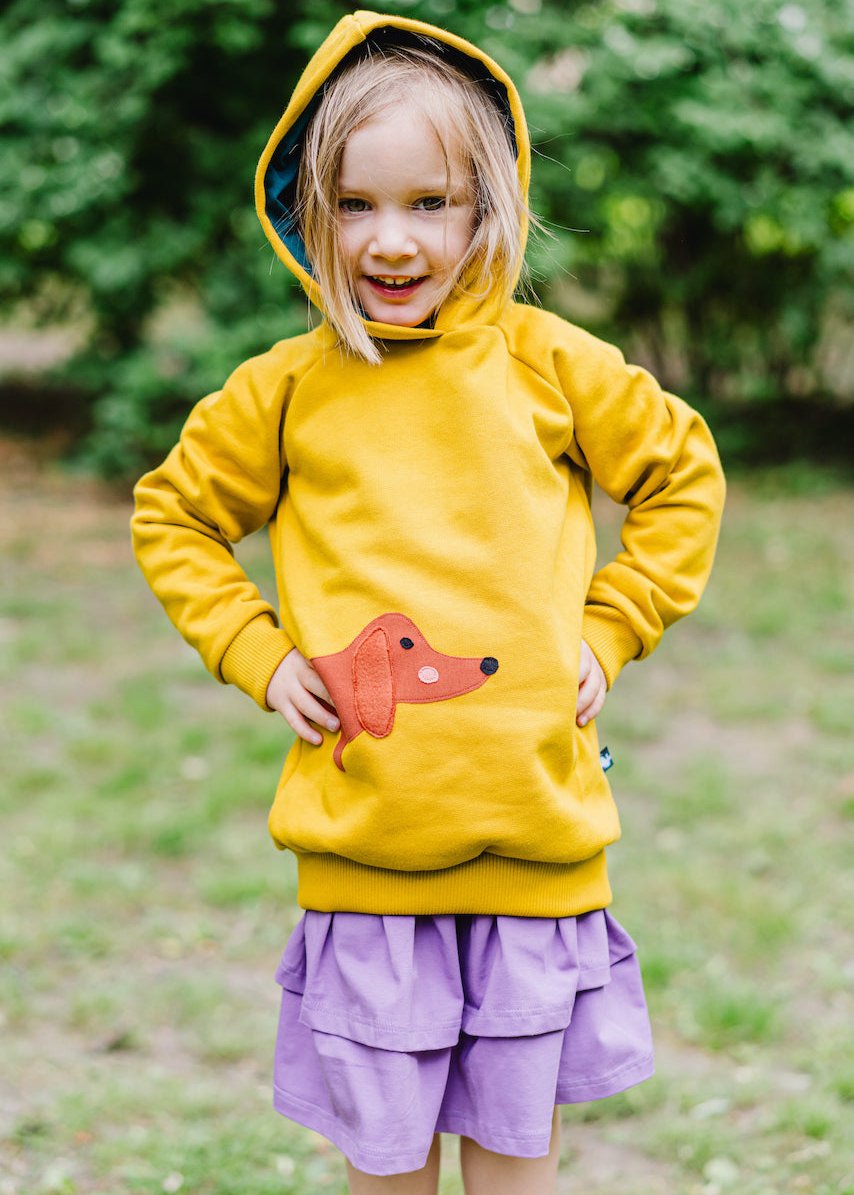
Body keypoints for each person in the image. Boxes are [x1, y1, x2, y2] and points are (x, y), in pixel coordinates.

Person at [131, 11, 726, 1194]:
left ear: (487, 206)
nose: (389, 241)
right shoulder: (286, 390)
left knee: (514, 1167)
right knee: (388, 1170)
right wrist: (256, 652)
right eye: (353, 206)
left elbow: (680, 477)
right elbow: (175, 515)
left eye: (429, 204)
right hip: (370, 867)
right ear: (308, 210)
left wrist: (610, 626)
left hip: (532, 855)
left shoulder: (550, 365)